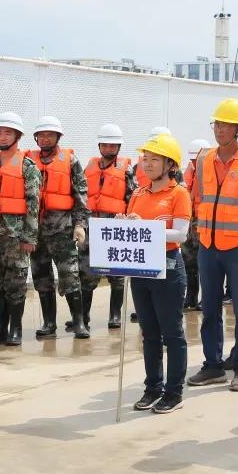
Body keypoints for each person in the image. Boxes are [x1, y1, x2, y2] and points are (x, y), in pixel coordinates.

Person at [187, 99, 238, 392]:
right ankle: (212, 366)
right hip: (208, 246)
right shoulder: (203, 160)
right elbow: (198, 199)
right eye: (217, 124)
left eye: (226, 125)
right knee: (209, 309)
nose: (219, 129)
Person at [126, 133, 193, 414]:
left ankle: (173, 392)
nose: (148, 164)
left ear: (170, 165)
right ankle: (152, 387)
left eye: (155, 159)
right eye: (145, 158)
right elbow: (133, 227)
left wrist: (146, 228)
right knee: (149, 332)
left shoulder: (179, 194)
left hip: (167, 266)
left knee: (172, 333)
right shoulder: (138, 193)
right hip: (141, 267)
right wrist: (125, 223)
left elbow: (180, 233)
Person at [0, 112, 41, 346]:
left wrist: (30, 236)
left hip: (16, 235)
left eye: (8, 133)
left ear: (17, 136)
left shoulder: (27, 166)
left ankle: (16, 329)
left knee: (15, 282)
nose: (2, 137)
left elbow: (34, 204)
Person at [29, 116, 91, 339]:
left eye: (50, 135)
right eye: (42, 135)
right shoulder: (28, 161)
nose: (45, 139)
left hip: (62, 230)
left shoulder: (70, 161)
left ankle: (79, 322)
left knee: (70, 275)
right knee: (41, 277)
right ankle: (49, 323)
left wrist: (80, 225)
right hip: (36, 231)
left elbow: (81, 194)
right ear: (36, 138)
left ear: (58, 137)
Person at [80, 123, 137, 330]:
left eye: (113, 145)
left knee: (117, 274)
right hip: (91, 227)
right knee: (86, 272)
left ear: (118, 147)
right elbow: (81, 195)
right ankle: (83, 317)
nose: (108, 149)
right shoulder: (89, 167)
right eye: (105, 145)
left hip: (115, 228)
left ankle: (114, 315)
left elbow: (133, 198)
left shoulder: (127, 170)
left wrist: (128, 222)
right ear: (99, 146)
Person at [182, 139, 211, 311]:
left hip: (206, 221)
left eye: (197, 159)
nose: (194, 162)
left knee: (205, 263)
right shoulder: (188, 172)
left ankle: (206, 298)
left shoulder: (212, 173)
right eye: (192, 159)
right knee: (188, 260)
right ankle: (191, 297)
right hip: (190, 220)